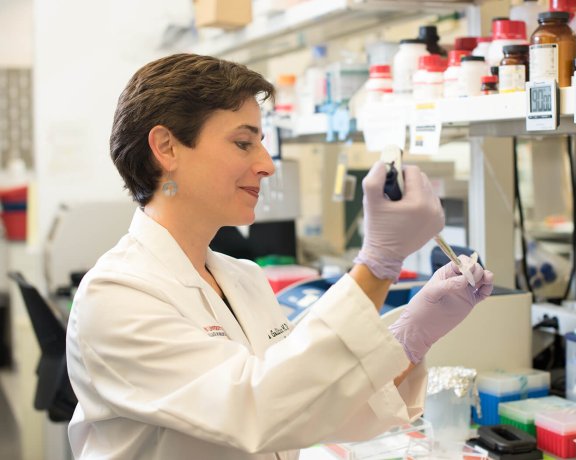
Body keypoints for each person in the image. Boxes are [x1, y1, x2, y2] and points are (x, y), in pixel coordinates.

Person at [66, 53, 494, 460]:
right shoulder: (116, 296)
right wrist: (378, 264)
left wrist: (409, 336)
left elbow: (310, 402)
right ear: (167, 147)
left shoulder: (243, 278)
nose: (267, 164)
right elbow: (257, 407)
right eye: (242, 143)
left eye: (261, 143)